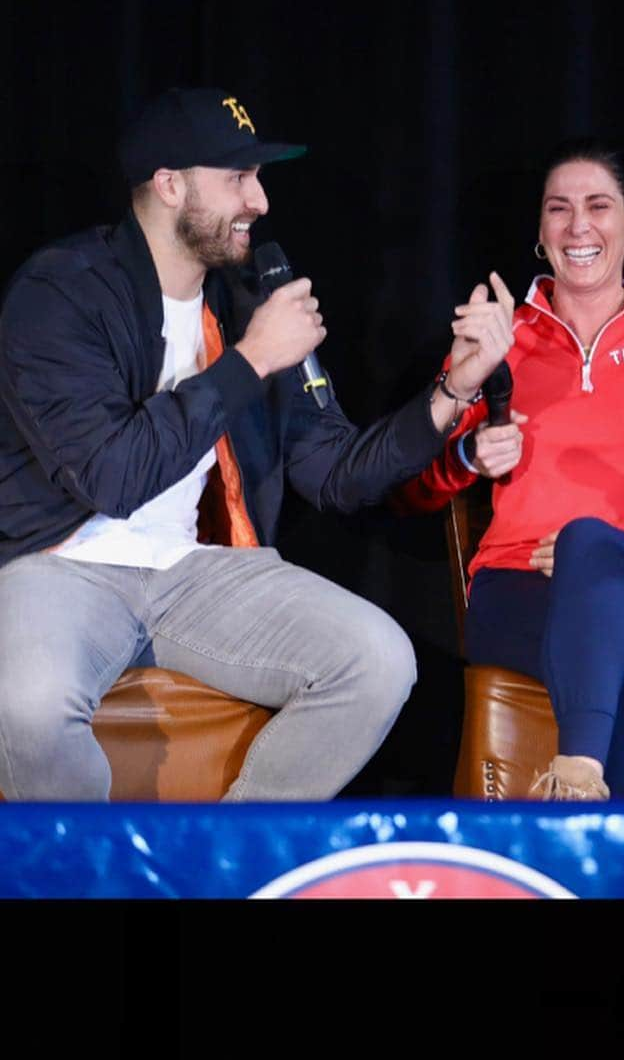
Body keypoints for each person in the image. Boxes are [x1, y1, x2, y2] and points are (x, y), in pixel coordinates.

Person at [0, 86, 514, 801]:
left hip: (192, 572)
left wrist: (451, 392)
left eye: (260, 177)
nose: (261, 200)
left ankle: (222, 866)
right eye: (238, 178)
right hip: (61, 568)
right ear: (170, 184)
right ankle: (92, 875)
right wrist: (250, 360)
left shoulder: (244, 300)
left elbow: (336, 472)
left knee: (377, 659)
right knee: (26, 705)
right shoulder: (60, 294)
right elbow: (111, 477)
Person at [396, 138, 624, 799]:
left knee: (592, 550)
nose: (579, 226)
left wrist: (602, 548)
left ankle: (569, 809)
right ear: (541, 230)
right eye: (559, 209)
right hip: (514, 583)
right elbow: (413, 490)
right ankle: (595, 824)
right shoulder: (501, 335)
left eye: (599, 206)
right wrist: (468, 455)